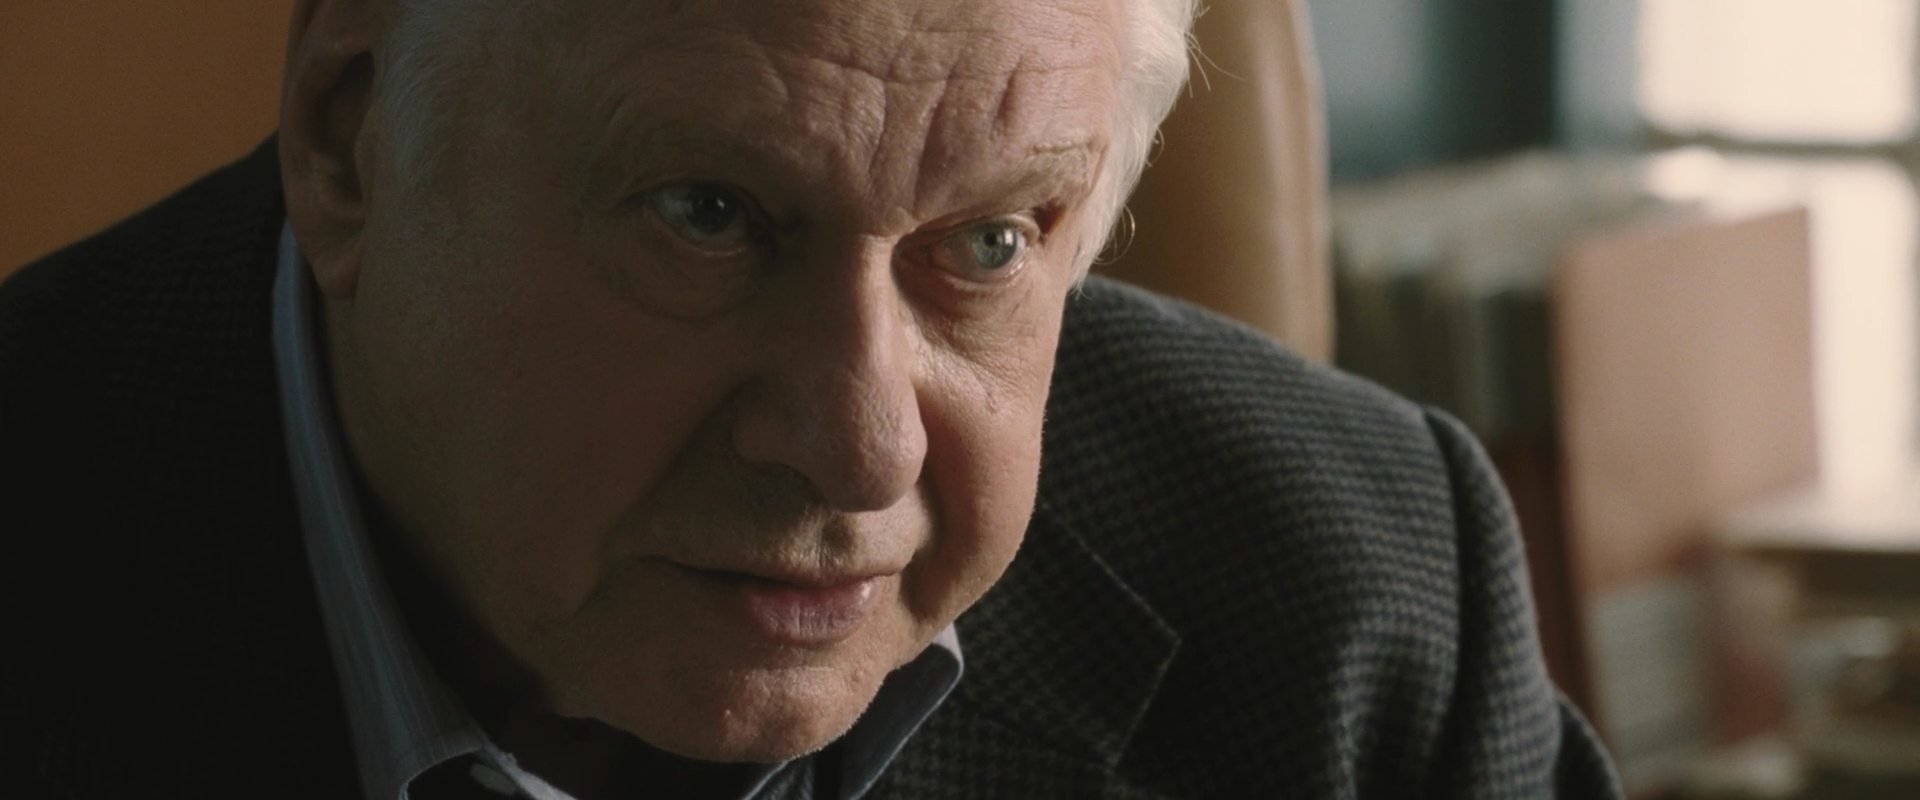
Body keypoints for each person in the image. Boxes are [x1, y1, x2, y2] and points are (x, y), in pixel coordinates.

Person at [0, 0, 1621, 797]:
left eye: (989, 243)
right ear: (352, 144)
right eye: (709, 215)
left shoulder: (1348, 604)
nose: (858, 444)